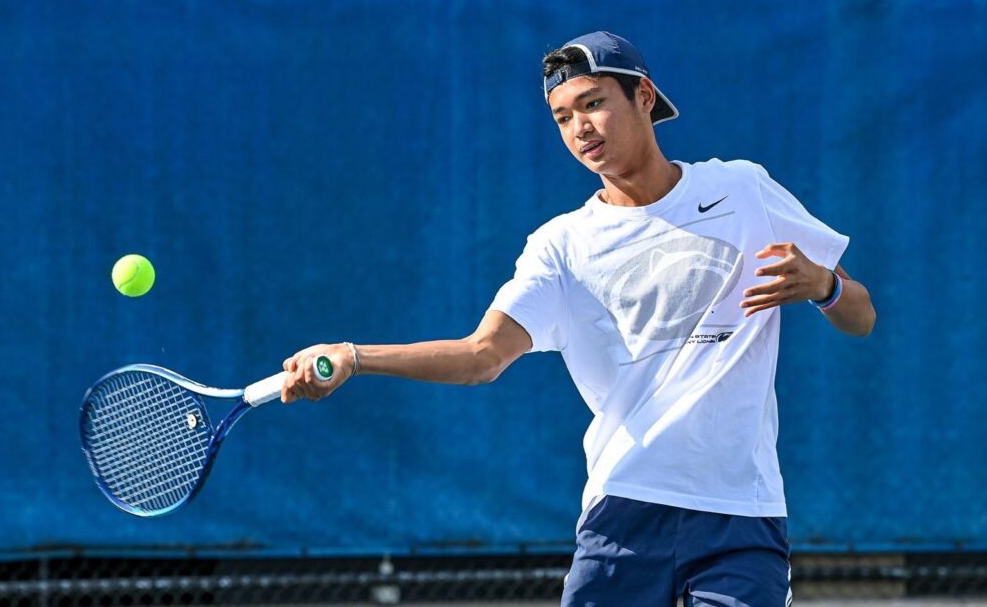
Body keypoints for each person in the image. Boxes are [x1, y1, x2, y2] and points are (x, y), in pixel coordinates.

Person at [280, 31, 876, 606]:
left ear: (643, 96)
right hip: (624, 511)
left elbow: (861, 315)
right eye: (563, 116)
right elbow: (481, 356)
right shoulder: (561, 246)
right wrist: (355, 358)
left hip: (741, 514)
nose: (579, 129)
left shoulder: (742, 190)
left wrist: (823, 286)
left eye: (593, 104)